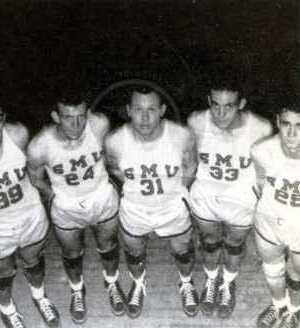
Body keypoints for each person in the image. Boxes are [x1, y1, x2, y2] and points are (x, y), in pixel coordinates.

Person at [27, 88, 125, 324]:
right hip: (66, 205)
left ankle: (111, 282)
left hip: (101, 196)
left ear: (88, 113)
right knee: (72, 254)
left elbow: (114, 153)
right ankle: (76, 289)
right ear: (56, 116)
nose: (76, 123)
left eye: (81, 115)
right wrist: (54, 196)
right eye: (68, 117)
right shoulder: (40, 145)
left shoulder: (99, 125)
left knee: (109, 246)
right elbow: (36, 178)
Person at [104, 85, 198, 318]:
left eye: (151, 109)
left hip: (172, 206)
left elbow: (190, 166)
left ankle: (186, 283)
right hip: (135, 208)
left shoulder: (181, 135)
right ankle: (138, 283)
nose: (145, 118)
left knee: (182, 251)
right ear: (128, 110)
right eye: (138, 109)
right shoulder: (115, 141)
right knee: (134, 252)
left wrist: (176, 192)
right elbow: (115, 169)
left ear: (162, 109)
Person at [187, 78, 273, 318]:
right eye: (215, 105)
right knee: (209, 240)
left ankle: (228, 283)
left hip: (241, 197)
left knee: (234, 244)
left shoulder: (261, 128)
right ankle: (212, 280)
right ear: (208, 101)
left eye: (229, 106)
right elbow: (188, 158)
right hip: (207, 195)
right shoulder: (196, 121)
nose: (221, 113)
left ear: (241, 103)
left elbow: (265, 169)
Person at [0, 100, 60, 328]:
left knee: (34, 262)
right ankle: (7, 311)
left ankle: (39, 296)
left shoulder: (18, 135)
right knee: (2, 276)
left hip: (29, 216)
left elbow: (38, 166)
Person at [252, 98, 300, 328]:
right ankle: (279, 304)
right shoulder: (262, 150)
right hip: (270, 219)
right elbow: (260, 182)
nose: (291, 134)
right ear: (277, 123)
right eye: (286, 124)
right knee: (272, 269)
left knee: (297, 273)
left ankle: (294, 310)